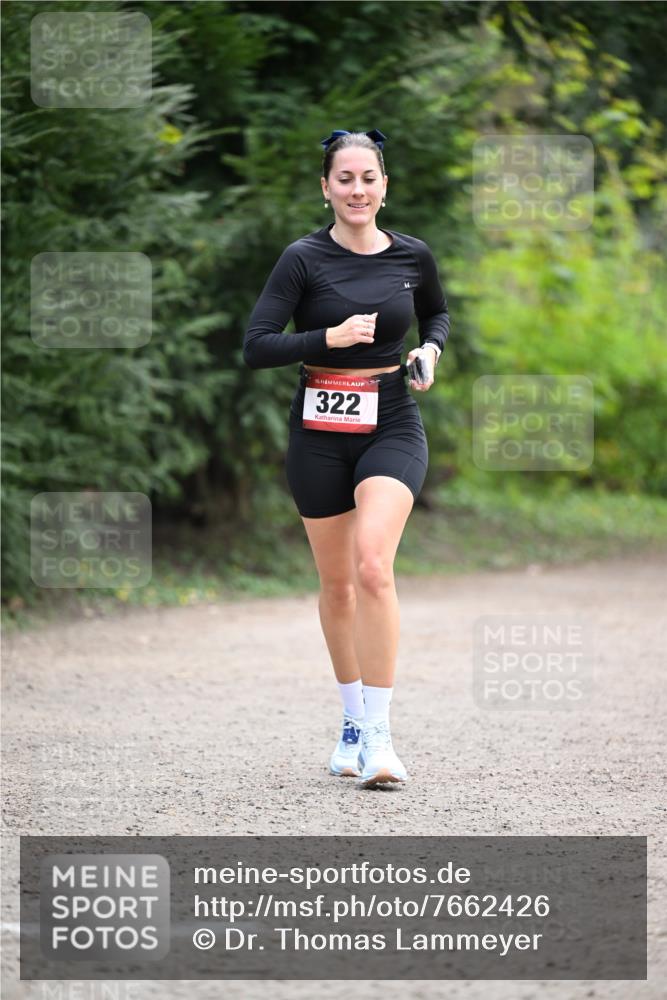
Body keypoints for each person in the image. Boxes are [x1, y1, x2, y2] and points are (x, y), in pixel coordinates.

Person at [243, 128, 450, 788]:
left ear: (384, 186)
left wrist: (429, 352)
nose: (356, 189)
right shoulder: (302, 260)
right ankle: (352, 724)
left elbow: (436, 316)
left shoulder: (412, 256)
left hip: (390, 420)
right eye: (344, 179)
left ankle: (382, 741)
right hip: (319, 429)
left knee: (372, 567)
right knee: (336, 585)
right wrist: (324, 336)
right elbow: (255, 345)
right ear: (325, 188)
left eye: (368, 178)